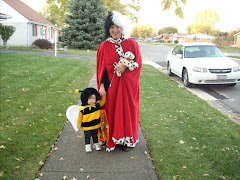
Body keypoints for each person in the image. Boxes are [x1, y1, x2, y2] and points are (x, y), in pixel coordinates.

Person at [96, 11, 142, 152]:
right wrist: (102, 86)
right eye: (111, 27)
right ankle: (113, 139)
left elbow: (138, 63)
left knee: (128, 111)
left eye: (117, 27)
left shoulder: (131, 43)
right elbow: (101, 69)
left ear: (122, 28)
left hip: (129, 88)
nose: (115, 30)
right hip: (112, 88)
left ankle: (127, 141)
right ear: (108, 29)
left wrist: (125, 64)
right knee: (112, 111)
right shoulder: (103, 46)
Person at [76, 87, 106, 152]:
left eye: (93, 98)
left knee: (95, 135)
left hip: (95, 125)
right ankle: (87, 146)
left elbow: (103, 102)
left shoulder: (97, 105)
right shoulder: (83, 109)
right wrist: (78, 124)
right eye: (89, 98)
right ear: (85, 99)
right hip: (86, 126)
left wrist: (104, 96)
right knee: (87, 136)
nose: (92, 100)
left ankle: (96, 144)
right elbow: (79, 117)